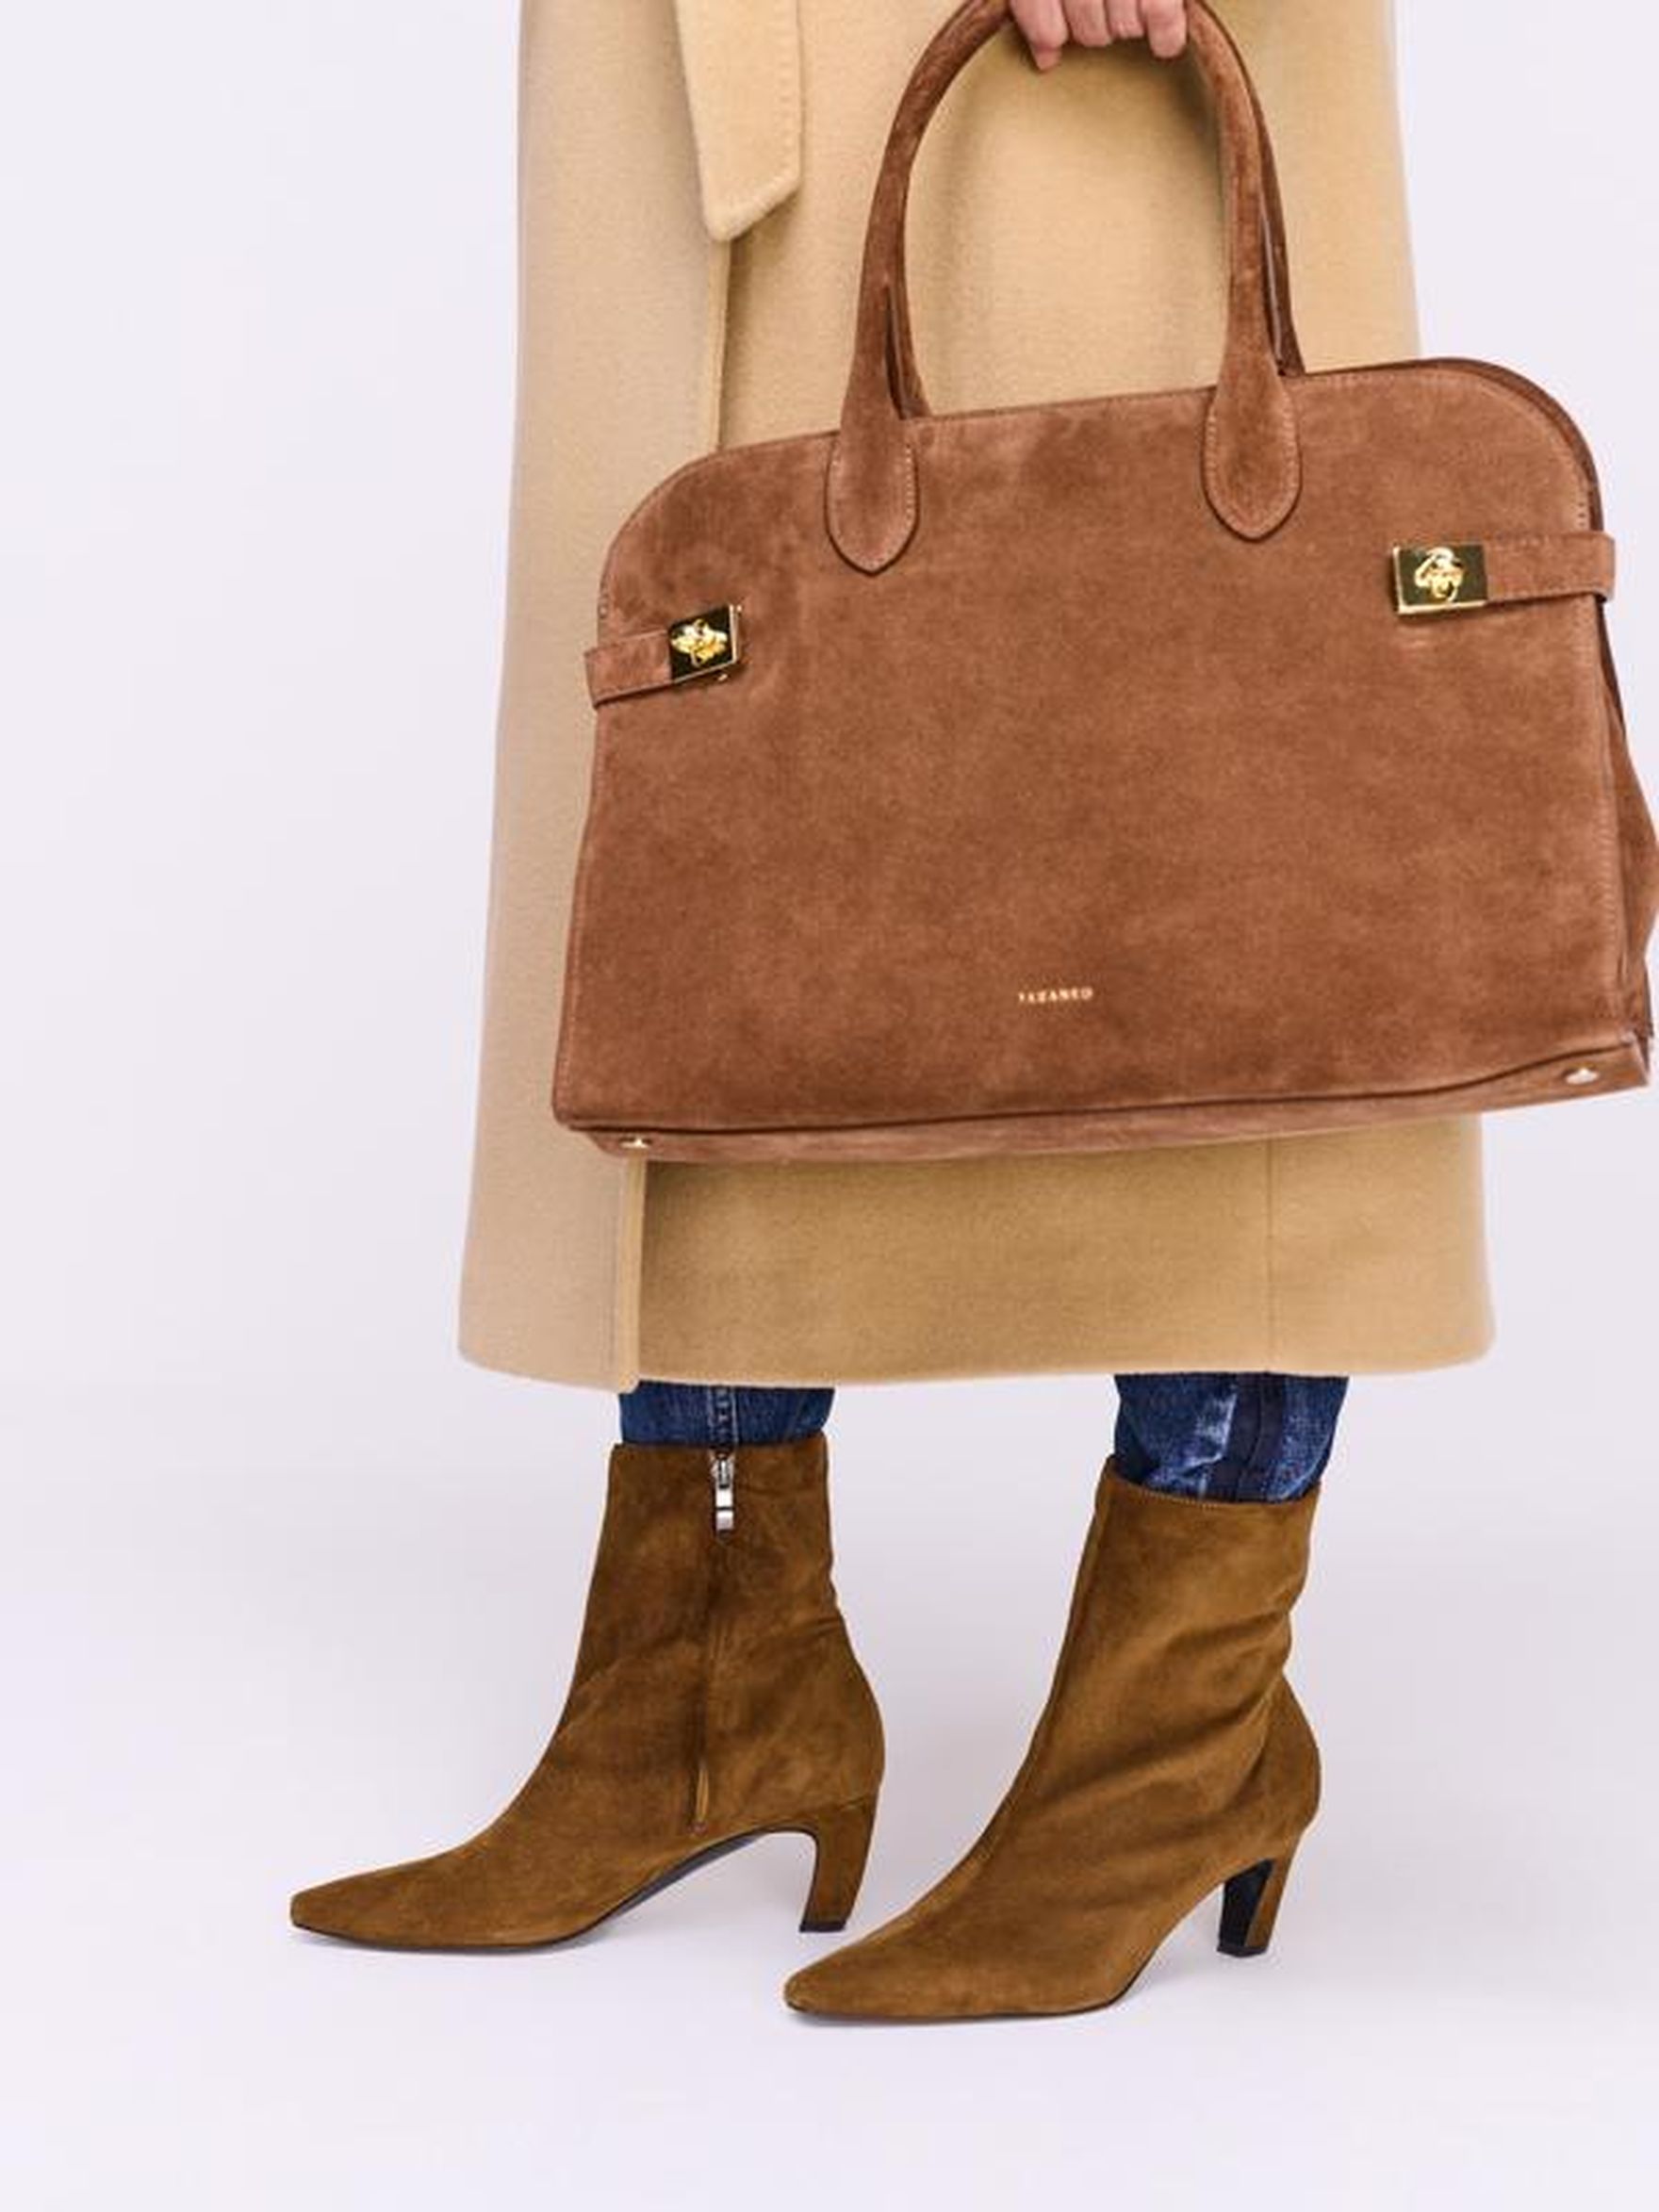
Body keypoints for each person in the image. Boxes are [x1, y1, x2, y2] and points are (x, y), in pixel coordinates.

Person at [290, 0, 1492, 2019]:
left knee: (1211, 787)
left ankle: (1173, 1742)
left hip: (1079, 61)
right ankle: (708, 1685)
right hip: (678, 70)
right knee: (730, 808)